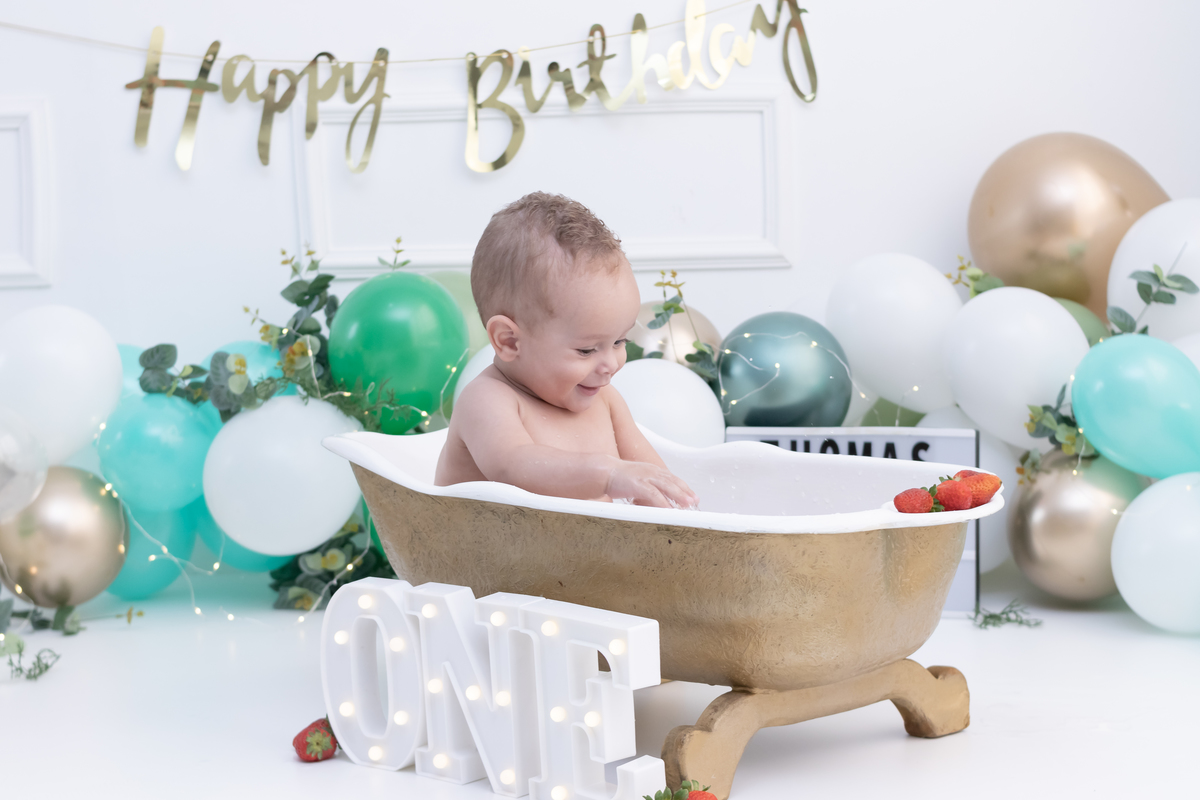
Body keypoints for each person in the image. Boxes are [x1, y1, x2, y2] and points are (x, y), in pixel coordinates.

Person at [435, 192, 698, 509]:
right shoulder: (488, 401)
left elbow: (654, 482)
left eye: (619, 342)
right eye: (587, 350)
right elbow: (514, 466)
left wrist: (676, 515)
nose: (610, 364)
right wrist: (609, 474)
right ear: (509, 341)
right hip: (486, 557)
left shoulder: (607, 403)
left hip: (576, 556)